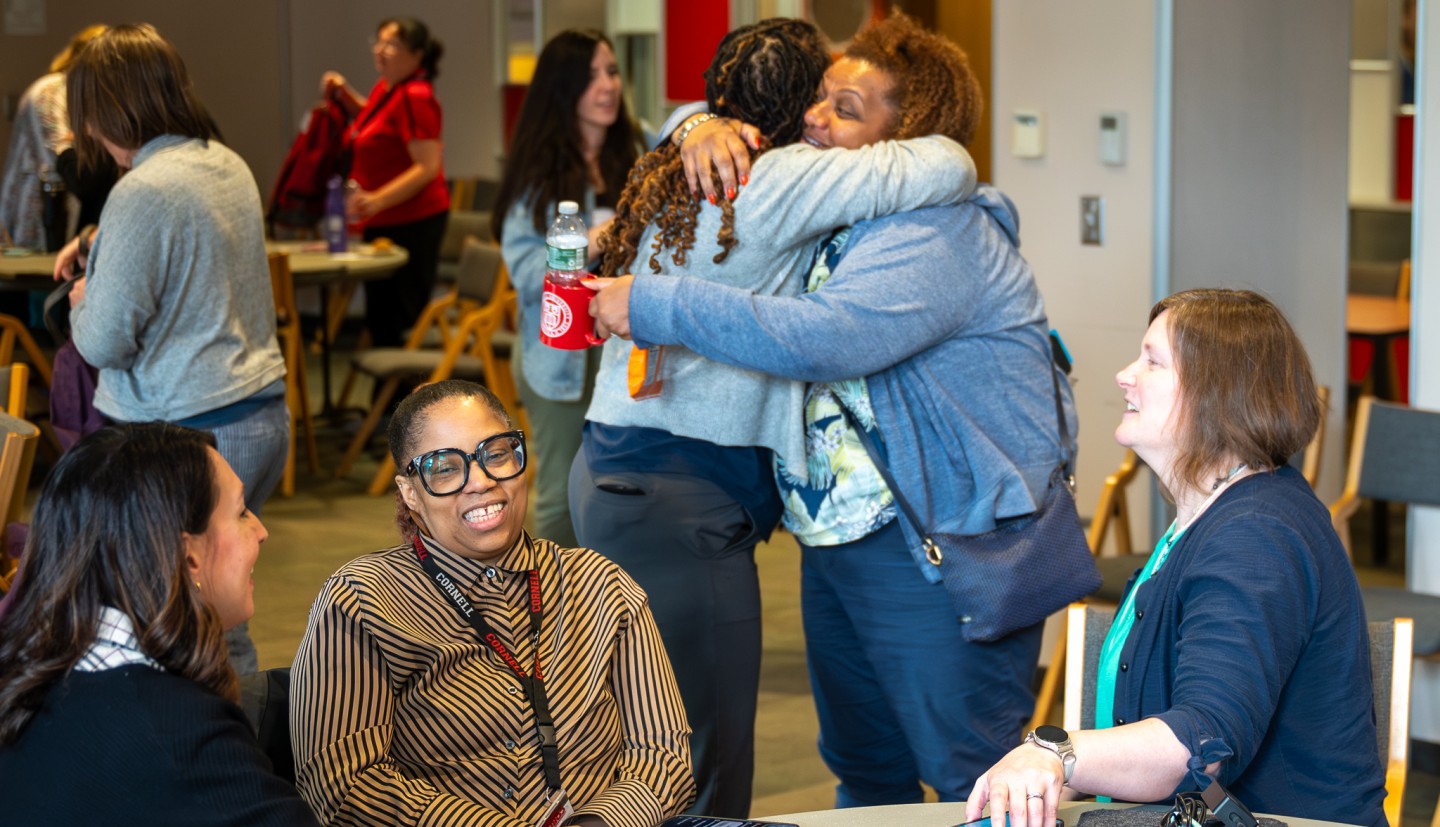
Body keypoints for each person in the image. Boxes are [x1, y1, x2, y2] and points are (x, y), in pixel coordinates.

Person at [585, 13, 1063, 809]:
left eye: (843, 107)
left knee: (972, 778)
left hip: (936, 543)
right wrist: (698, 123)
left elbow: (825, 337)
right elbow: (703, 128)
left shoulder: (939, 232)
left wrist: (656, 302)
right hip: (841, 534)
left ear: (902, 135)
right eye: (818, 98)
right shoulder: (838, 212)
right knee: (865, 771)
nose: (812, 117)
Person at [963, 289, 1386, 827]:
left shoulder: (1256, 536)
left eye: (1153, 361)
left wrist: (1057, 753)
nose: (1124, 375)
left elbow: (1201, 745)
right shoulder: (1212, 513)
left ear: (1218, 394)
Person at [289, 379, 695, 826]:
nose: (481, 482)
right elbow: (343, 785)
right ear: (410, 493)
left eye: (496, 454)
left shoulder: (602, 587)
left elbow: (664, 757)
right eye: (445, 468)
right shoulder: (362, 602)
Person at [52, 24, 289, 674]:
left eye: (86, 115)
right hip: (257, 418)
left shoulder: (142, 190)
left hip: (191, 431)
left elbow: (103, 339)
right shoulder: (223, 162)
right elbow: (186, 233)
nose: (87, 132)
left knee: (189, 628)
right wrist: (101, 241)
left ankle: (214, 737)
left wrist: (81, 298)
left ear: (105, 110)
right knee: (219, 616)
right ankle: (234, 734)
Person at [0, 423, 318, 826]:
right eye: (241, 512)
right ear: (188, 558)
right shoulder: (180, 735)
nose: (261, 531)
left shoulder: (35, 663)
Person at [491, 29, 648, 548]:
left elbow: (687, 131)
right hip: (560, 355)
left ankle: (608, 593)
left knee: (626, 487)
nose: (608, 86)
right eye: (590, 76)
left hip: (628, 349)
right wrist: (605, 233)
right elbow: (527, 273)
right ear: (563, 88)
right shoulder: (538, 173)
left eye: (612, 72)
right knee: (562, 495)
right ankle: (550, 594)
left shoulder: (640, 148)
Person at [322, 16, 450, 348]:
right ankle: (390, 380)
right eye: (378, 42)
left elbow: (427, 167)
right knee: (380, 315)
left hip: (412, 221)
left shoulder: (416, 96)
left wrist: (377, 199)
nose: (380, 50)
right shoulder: (389, 88)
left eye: (391, 44)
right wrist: (346, 96)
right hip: (385, 219)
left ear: (417, 54)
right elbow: (379, 123)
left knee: (397, 319)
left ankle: (404, 381)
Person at [0, 24, 107, 254]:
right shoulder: (51, 91)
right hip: (33, 222)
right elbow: (63, 156)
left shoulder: (82, 95)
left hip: (60, 220)